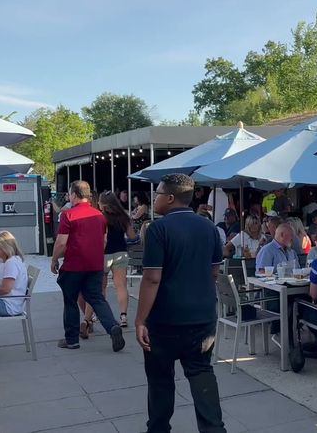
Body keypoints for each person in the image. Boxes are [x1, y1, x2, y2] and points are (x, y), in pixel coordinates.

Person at [134, 174, 226, 432]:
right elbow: (214, 271)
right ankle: (214, 429)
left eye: (158, 194)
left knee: (161, 380)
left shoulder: (158, 229)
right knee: (201, 373)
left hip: (165, 320)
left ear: (171, 198)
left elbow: (152, 278)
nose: (155, 198)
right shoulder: (209, 227)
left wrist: (140, 319)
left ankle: (159, 428)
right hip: (203, 317)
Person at [51, 180, 125, 352]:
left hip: (74, 265)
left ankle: (71, 340)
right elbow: (104, 240)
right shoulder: (99, 215)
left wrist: (54, 260)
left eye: (70, 194)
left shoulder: (69, 215)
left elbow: (61, 243)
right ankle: (112, 326)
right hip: (95, 265)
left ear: (74, 195)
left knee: (70, 301)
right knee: (97, 298)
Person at [80, 191, 136, 332]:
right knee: (121, 286)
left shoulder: (99, 217)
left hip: (103, 255)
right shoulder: (124, 216)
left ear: (103, 204)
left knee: (99, 288)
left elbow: (98, 238)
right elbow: (133, 237)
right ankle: (123, 316)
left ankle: (92, 318)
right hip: (121, 253)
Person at [0, 231, 28, 317]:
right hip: (8, 303)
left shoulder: (11, 263)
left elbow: (5, 289)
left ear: (5, 246)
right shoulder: (12, 260)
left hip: (7, 306)